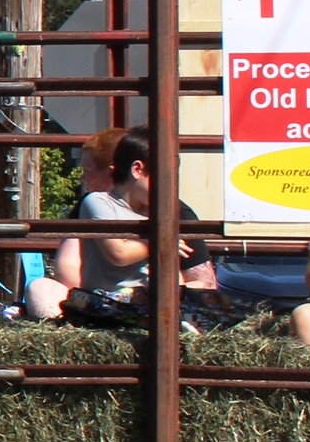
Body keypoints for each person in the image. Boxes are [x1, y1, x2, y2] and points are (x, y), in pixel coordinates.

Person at [21, 131, 212, 322]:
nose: (172, 186)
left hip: (153, 301)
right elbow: (118, 253)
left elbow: (203, 280)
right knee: (39, 288)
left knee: (203, 296)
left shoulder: (174, 211)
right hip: (105, 301)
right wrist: (162, 242)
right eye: (165, 176)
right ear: (137, 170)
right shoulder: (97, 202)